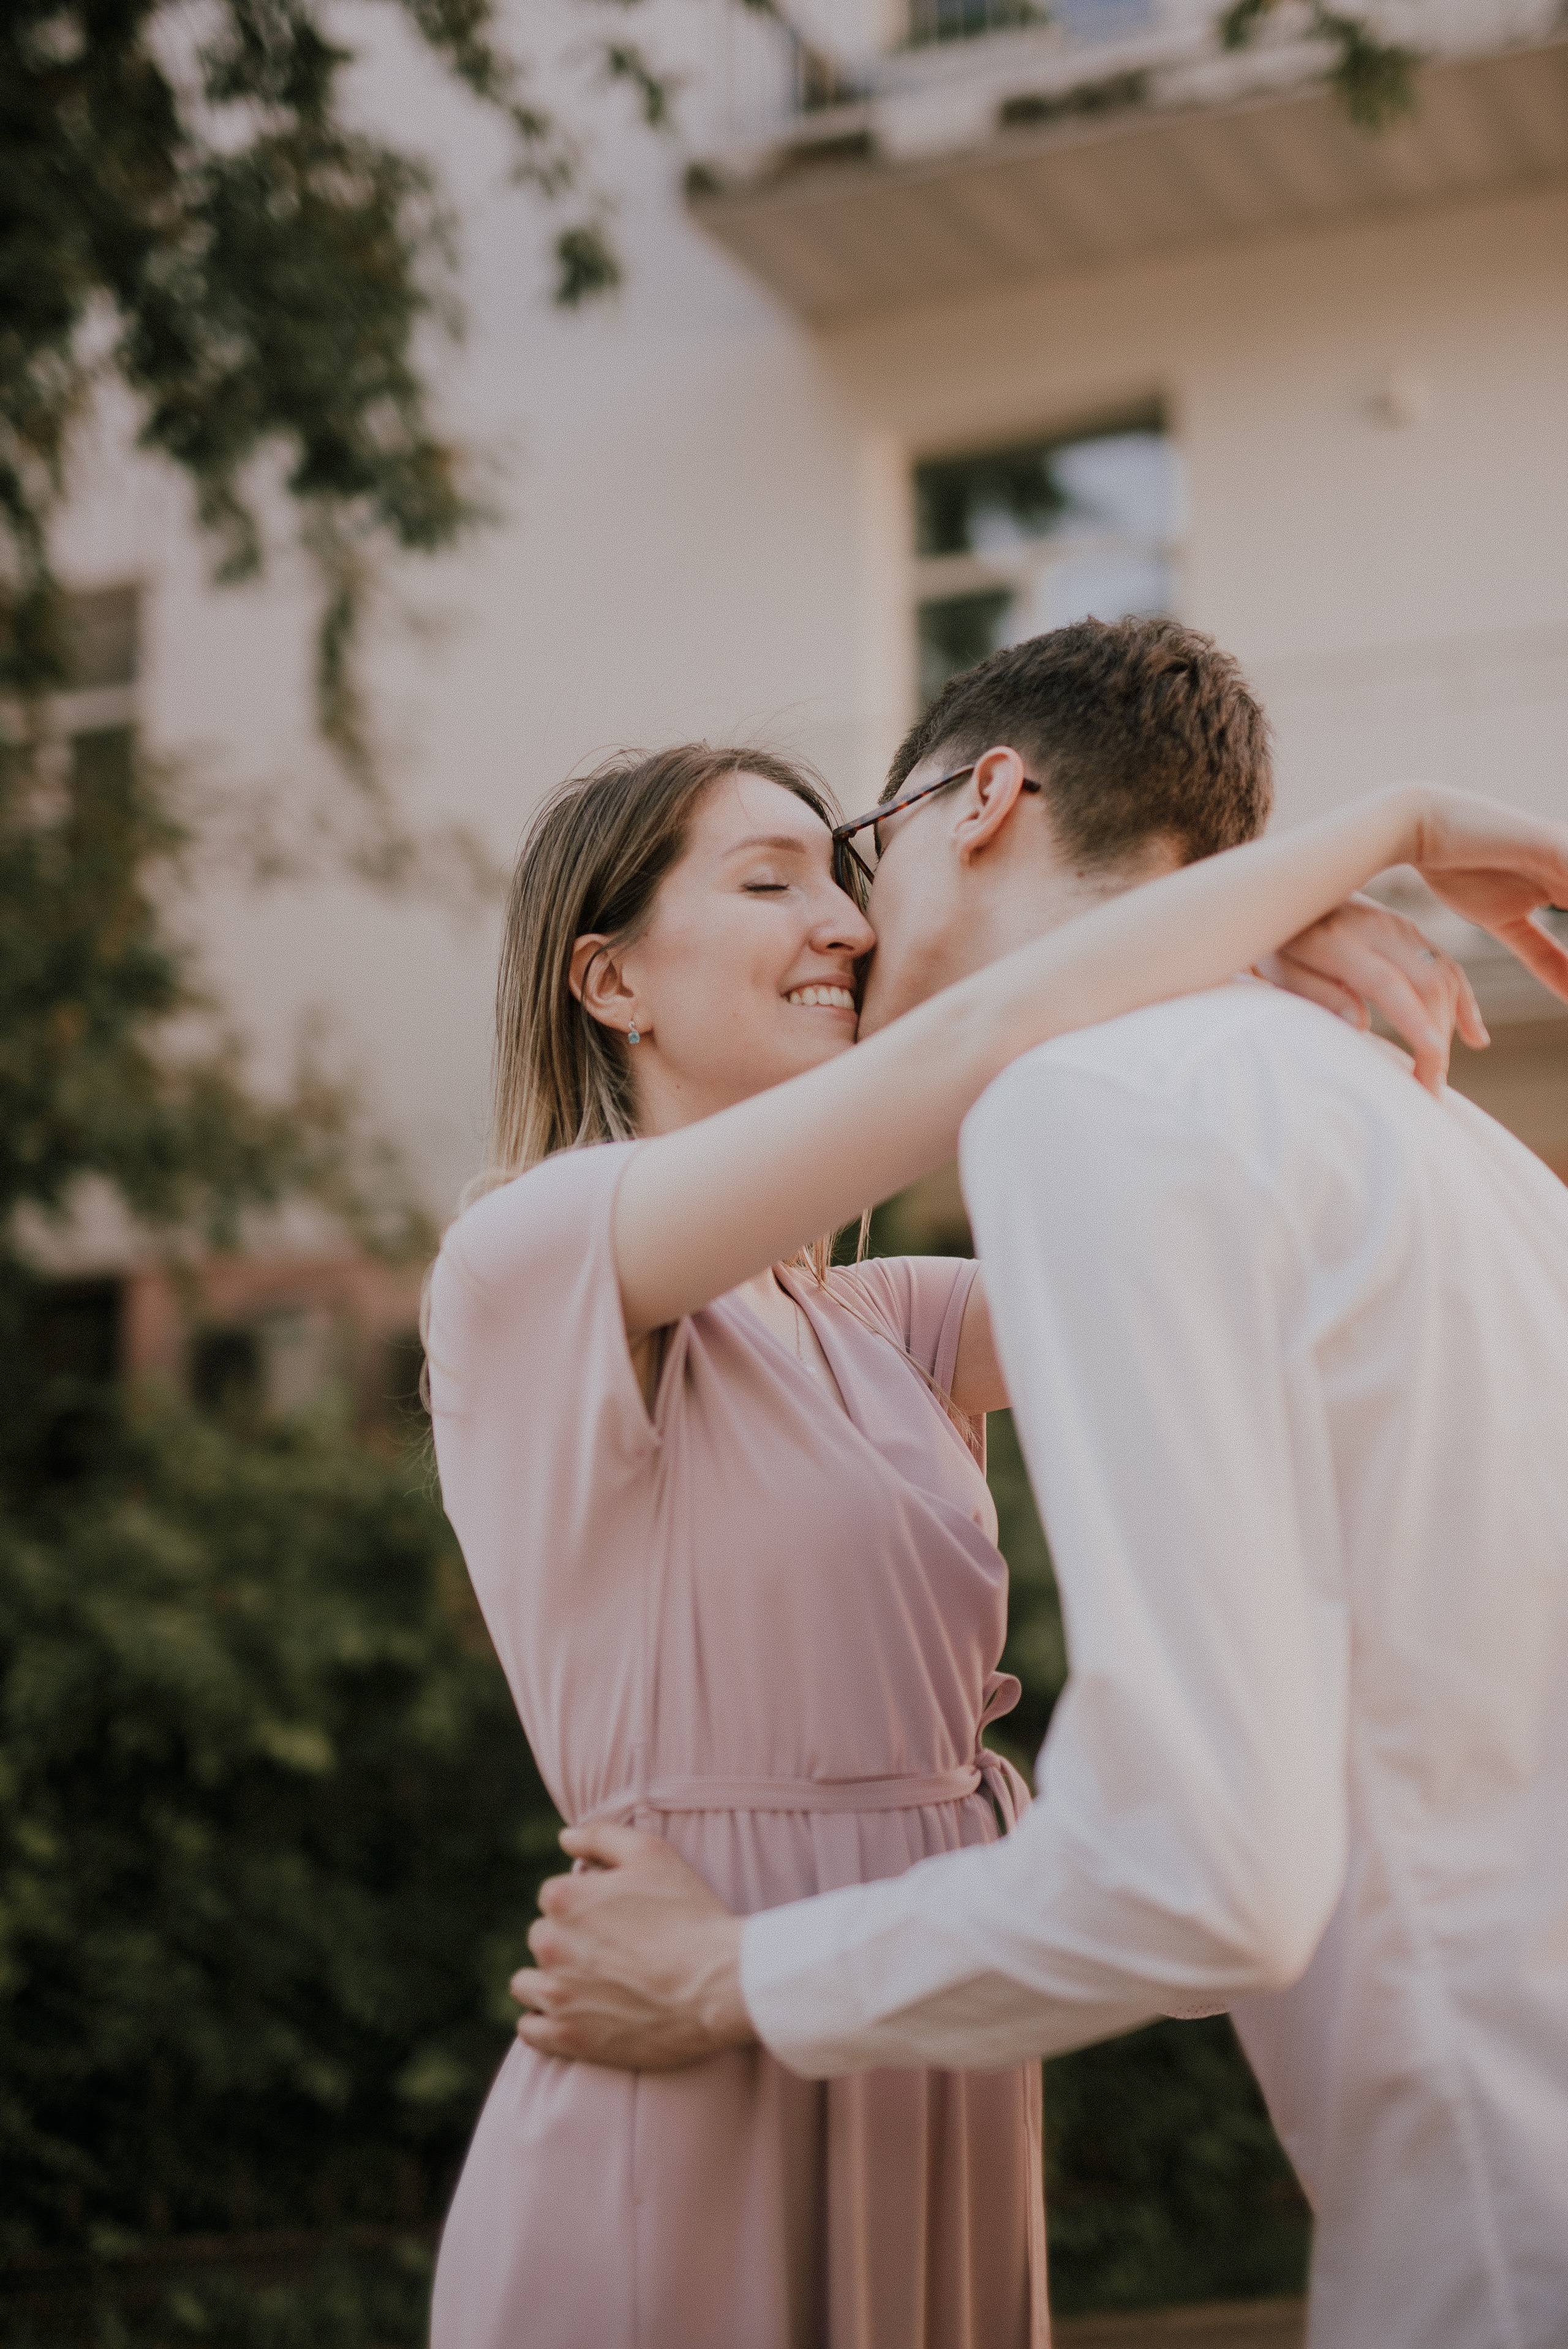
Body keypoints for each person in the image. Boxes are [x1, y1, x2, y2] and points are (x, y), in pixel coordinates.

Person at [512, 623, 1568, 2349]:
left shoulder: (1052, 1161)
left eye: (853, 855)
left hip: (970, 2069)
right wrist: (1351, 845)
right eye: (784, 878)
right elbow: (994, 1044)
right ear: (605, 976)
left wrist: (1227, 922)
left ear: (986, 794)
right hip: (688, 2062)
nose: (849, 922)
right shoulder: (1426, 1125)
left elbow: (1198, 1856)